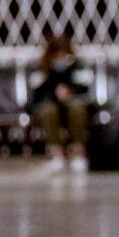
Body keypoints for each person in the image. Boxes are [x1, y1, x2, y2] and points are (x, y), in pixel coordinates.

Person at [29, 34, 92, 173]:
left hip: (72, 104)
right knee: (47, 111)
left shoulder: (77, 66)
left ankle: (78, 153)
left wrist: (70, 90)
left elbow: (85, 87)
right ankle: (57, 155)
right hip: (50, 104)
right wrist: (54, 91)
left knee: (77, 107)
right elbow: (36, 93)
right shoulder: (42, 68)